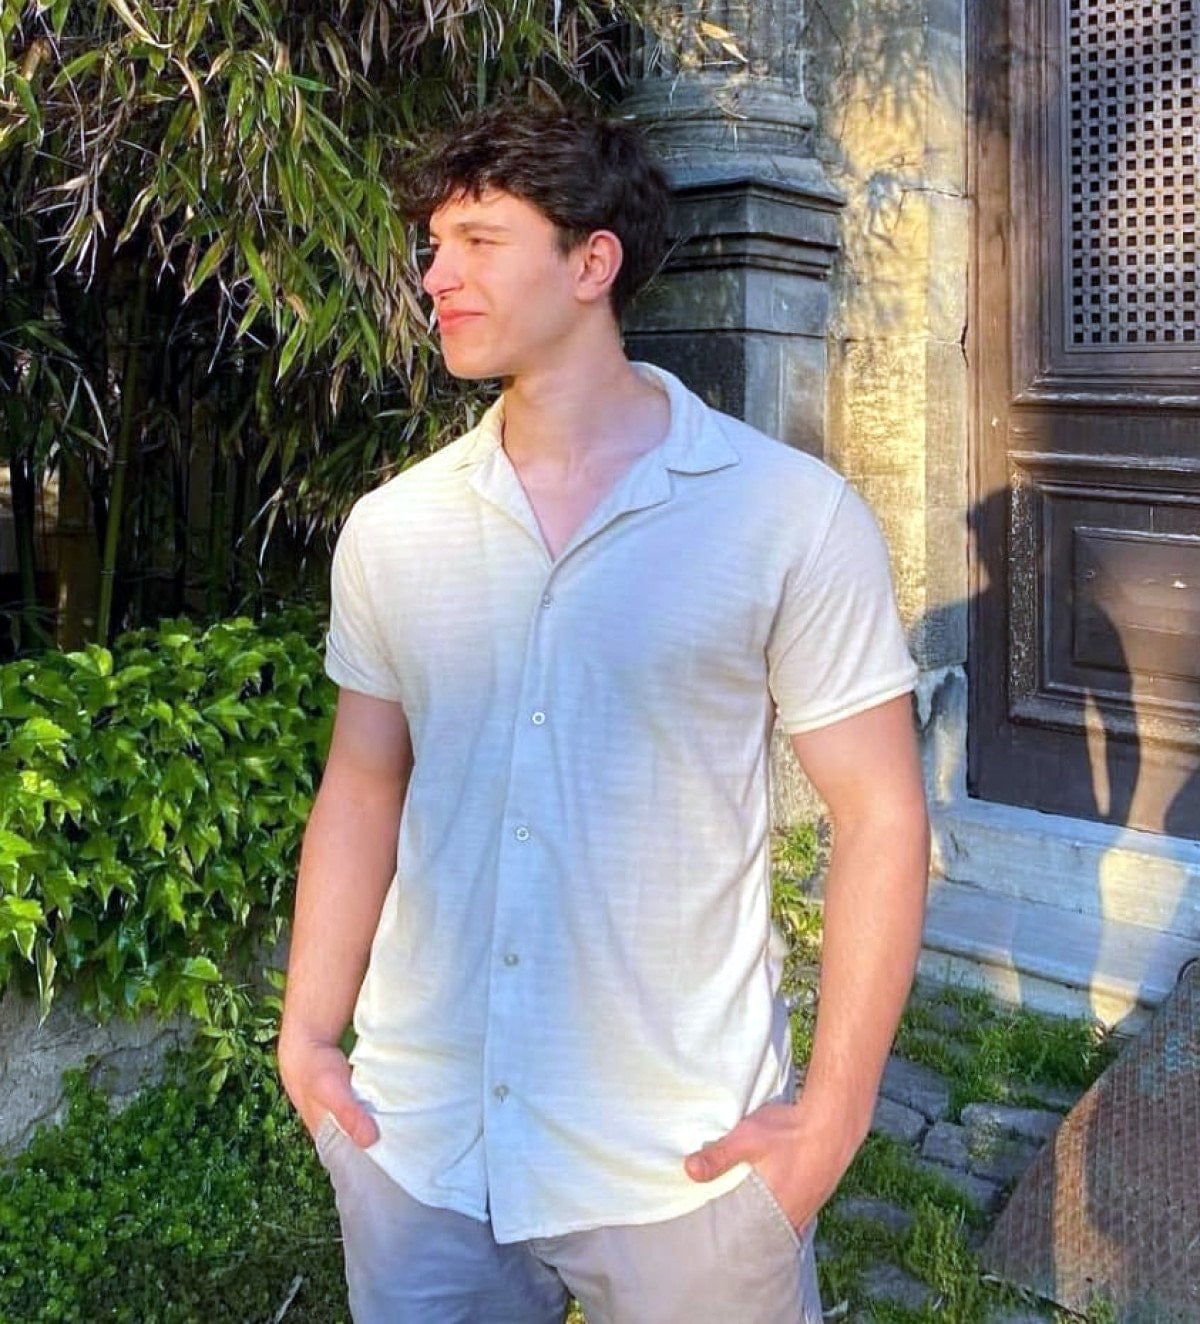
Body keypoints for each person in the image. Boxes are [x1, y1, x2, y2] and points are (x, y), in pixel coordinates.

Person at [278, 100, 930, 1324]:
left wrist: (834, 1118)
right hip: (423, 1145)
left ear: (592, 262)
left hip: (684, 1160)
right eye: (433, 245)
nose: (435, 277)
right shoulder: (394, 529)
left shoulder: (786, 515)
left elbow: (882, 813)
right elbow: (363, 779)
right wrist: (308, 1035)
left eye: (478, 240)